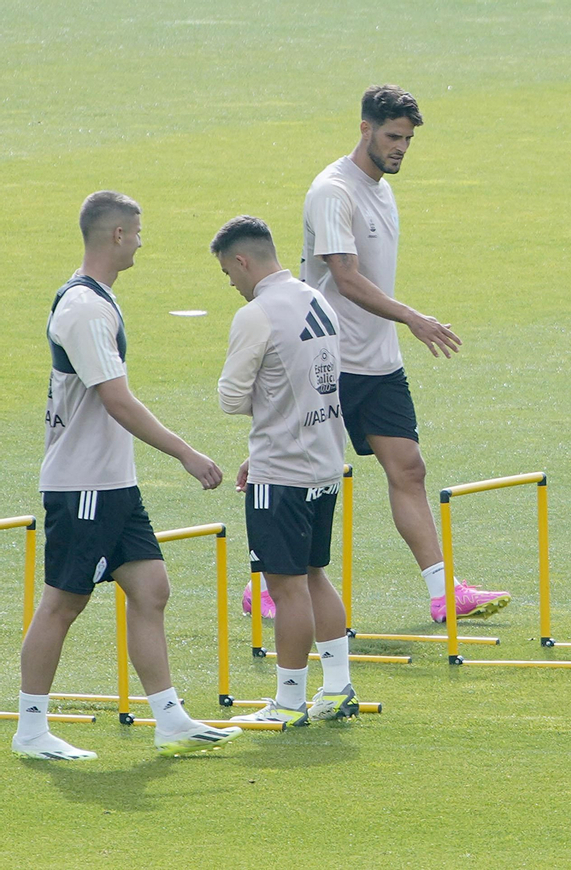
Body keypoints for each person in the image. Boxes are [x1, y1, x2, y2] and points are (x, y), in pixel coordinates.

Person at [13, 191, 242, 761]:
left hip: (111, 483)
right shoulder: (85, 309)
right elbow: (116, 400)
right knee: (62, 604)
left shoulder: (96, 299)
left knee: (151, 588)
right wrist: (186, 453)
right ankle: (31, 729)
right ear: (117, 234)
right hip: (84, 486)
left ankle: (169, 719)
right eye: (137, 231)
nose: (141, 241)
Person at [295, 84, 508, 624]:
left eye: (408, 139)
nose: (401, 148)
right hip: (327, 360)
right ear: (364, 128)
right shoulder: (332, 192)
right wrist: (412, 317)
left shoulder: (382, 188)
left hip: (378, 360)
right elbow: (345, 278)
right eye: (393, 136)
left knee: (409, 469)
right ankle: (268, 585)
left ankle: (443, 594)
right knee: (304, 474)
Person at [212, 217, 360, 726]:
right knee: (315, 575)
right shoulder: (317, 299)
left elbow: (231, 398)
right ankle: (337, 687)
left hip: (281, 473)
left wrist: (270, 423)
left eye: (228, 273)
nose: (231, 283)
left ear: (241, 261)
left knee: (286, 587)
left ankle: (289, 702)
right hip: (325, 462)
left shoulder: (256, 314)